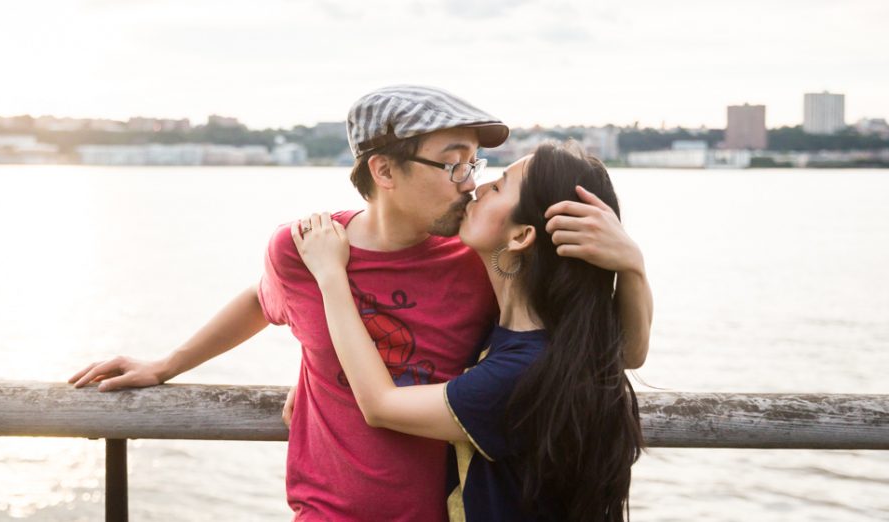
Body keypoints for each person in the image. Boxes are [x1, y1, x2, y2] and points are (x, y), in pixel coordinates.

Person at [69, 85, 653, 521]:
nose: (470, 181)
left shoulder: (479, 262)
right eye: (454, 162)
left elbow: (601, 347)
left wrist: (630, 264)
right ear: (384, 170)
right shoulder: (304, 247)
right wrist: (171, 365)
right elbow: (262, 299)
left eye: (476, 164)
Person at [292, 142, 643, 521]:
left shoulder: (520, 373)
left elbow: (380, 405)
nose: (478, 186)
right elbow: (631, 352)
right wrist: (632, 267)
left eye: (499, 186)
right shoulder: (556, 340)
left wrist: (330, 275)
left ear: (521, 236)